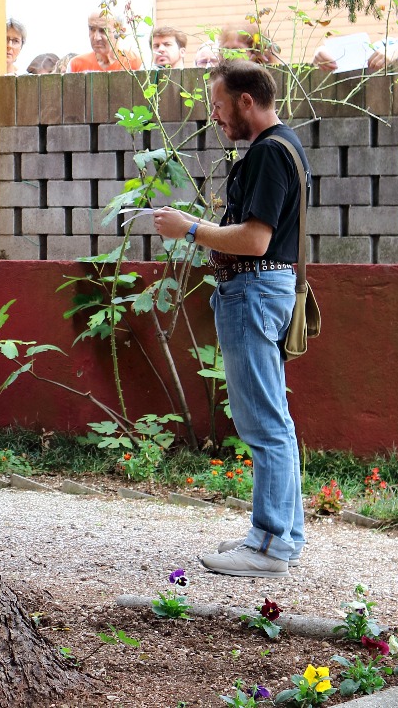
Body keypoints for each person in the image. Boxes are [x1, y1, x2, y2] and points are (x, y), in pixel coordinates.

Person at [152, 60, 308, 579]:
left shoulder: (267, 153)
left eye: (219, 106)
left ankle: (267, 545)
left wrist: (190, 229)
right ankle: (284, 537)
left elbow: (255, 240)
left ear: (246, 100)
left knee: (262, 423)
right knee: (273, 421)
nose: (215, 116)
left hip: (254, 291)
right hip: (268, 289)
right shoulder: (286, 147)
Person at [68, 13, 141, 72]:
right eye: (92, 29)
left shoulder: (135, 62)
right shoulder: (76, 65)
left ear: (120, 32)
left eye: (103, 30)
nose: (96, 37)